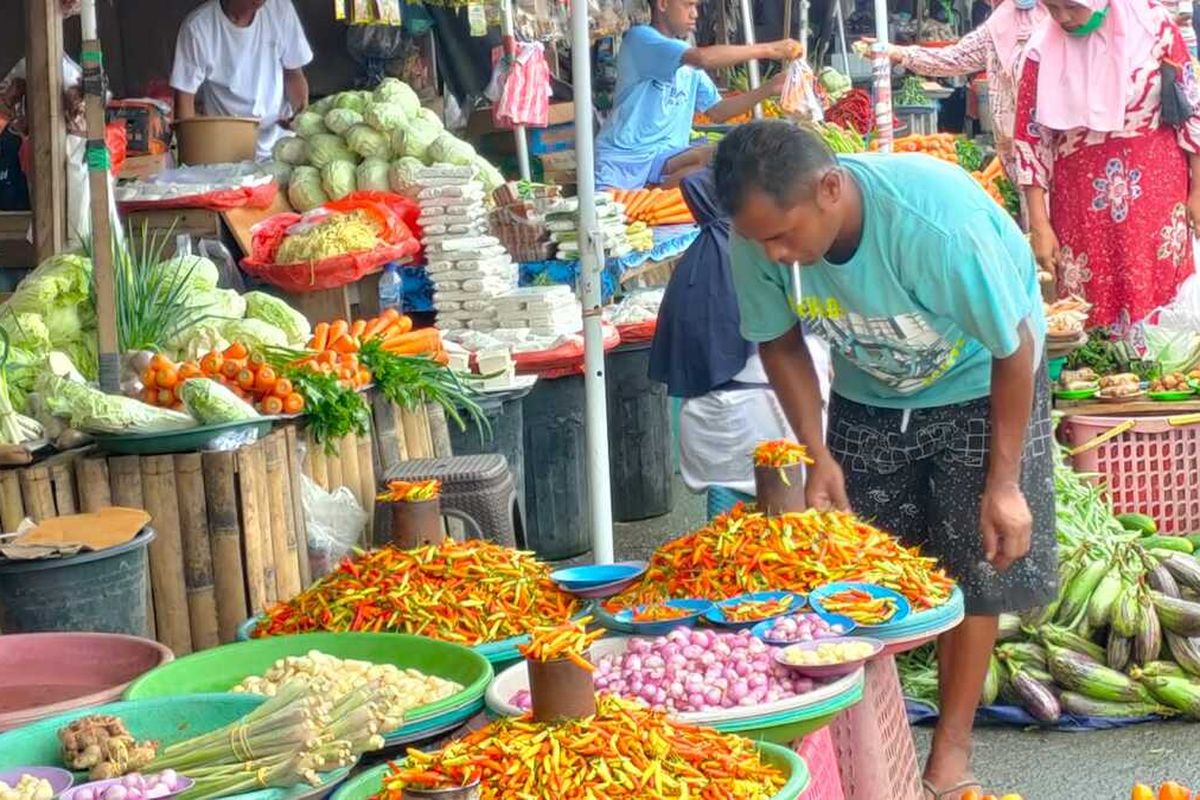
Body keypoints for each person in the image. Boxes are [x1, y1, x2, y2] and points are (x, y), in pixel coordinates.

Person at [714, 121, 1056, 800]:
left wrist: (1005, 482)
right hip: (869, 391)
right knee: (859, 572)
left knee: (974, 566)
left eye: (785, 236)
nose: (776, 255)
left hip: (981, 382)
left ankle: (950, 752)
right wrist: (818, 455)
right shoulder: (756, 235)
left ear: (830, 189)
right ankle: (872, 746)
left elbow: (1013, 351)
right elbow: (779, 343)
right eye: (762, 242)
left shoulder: (936, 225)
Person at [648, 169, 830, 518]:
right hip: (771, 419)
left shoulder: (696, 263)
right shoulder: (767, 254)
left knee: (729, 543)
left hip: (713, 433)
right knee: (788, 539)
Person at [1015, 0, 1200, 341]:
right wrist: (1039, 224)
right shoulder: (1041, 51)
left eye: (1071, 6)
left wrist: (1198, 192)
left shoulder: (1155, 29)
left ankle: (1160, 385)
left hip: (1158, 201)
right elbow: (1029, 139)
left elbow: (1192, 112)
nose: (1062, 18)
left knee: (1162, 309)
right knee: (1088, 309)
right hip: (1082, 207)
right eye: (1051, 8)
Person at [594, 0, 803, 190]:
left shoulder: (687, 58)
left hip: (662, 160)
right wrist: (768, 50)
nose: (695, 14)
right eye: (688, 5)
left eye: (696, 7)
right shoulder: (641, 39)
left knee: (724, 156)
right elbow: (703, 58)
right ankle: (649, 195)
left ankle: (654, 194)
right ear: (663, 4)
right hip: (622, 162)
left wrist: (769, 89)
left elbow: (718, 111)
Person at [873, 0, 1049, 185]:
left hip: (1058, 143)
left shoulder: (1060, 21)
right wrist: (898, 53)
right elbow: (954, 58)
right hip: (1016, 152)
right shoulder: (999, 25)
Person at [170, 0, 314, 161]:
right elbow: (184, 97)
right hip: (225, 150)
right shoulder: (198, 27)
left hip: (280, 147)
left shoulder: (280, 8)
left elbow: (293, 73)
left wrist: (300, 115)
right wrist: (191, 158)